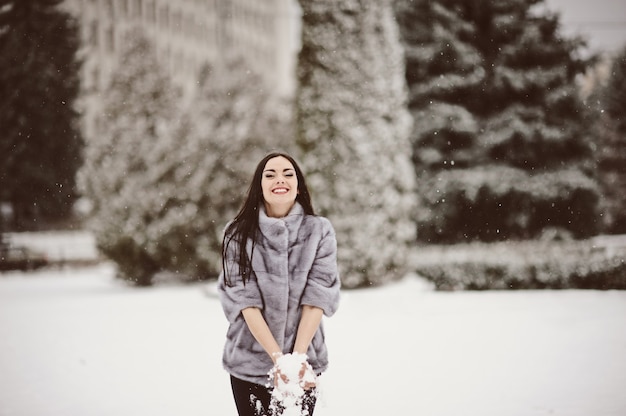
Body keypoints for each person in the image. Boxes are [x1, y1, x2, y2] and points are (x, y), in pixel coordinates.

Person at [218, 152, 341, 416]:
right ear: (259, 187)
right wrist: (278, 361)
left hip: (304, 363)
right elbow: (245, 302)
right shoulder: (238, 234)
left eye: (288, 174)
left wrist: (296, 361)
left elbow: (317, 297)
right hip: (249, 366)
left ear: (298, 187)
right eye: (269, 174)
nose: (279, 179)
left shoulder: (319, 231)